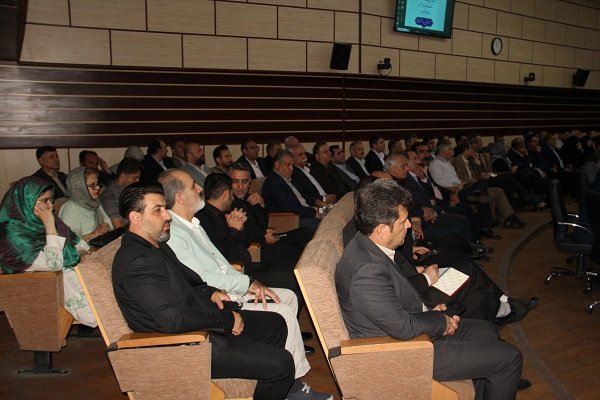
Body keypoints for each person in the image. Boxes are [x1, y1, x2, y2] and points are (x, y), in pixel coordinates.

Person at [336, 179, 523, 400]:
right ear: (382, 230)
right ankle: (500, 374)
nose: (409, 226)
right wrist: (440, 321)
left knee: (488, 331)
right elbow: (403, 328)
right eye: (403, 221)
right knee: (510, 358)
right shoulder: (366, 271)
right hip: (404, 351)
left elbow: (393, 307)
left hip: (411, 332)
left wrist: (430, 313)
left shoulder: (368, 246)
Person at [112, 182, 295, 400]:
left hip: (198, 324)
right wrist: (226, 319)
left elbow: (190, 280)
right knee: (282, 364)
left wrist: (210, 292)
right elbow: (173, 320)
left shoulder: (155, 245)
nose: (167, 216)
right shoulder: (138, 263)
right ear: (135, 217)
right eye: (157, 210)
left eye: (164, 208)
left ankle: (262, 382)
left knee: (275, 324)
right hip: (186, 346)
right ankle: (269, 373)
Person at [159, 170, 332, 400]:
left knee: (289, 296)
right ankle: (292, 386)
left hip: (231, 284)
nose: (200, 189)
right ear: (179, 197)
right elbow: (202, 278)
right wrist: (246, 283)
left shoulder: (194, 223)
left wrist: (249, 281)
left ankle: (288, 378)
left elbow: (221, 263)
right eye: (193, 186)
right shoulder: (174, 232)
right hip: (219, 296)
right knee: (282, 309)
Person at [0, 176, 96, 327]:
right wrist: (49, 224)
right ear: (27, 202)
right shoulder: (11, 234)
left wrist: (82, 252)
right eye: (45, 200)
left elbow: (80, 243)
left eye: (51, 199)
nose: (51, 206)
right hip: (41, 287)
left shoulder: (45, 220)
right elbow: (54, 264)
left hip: (62, 276)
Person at [262, 150, 322, 232]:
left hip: (302, 213)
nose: (291, 169)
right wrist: (313, 213)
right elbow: (288, 208)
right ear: (277, 165)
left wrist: (316, 201)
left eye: (292, 165)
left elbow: (302, 195)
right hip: (290, 220)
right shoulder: (274, 182)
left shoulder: (285, 177)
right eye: (288, 165)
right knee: (324, 225)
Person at [59, 167, 113, 242]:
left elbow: (109, 224)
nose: (98, 188)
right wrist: (95, 234)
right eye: (92, 185)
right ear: (80, 188)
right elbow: (68, 242)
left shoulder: (94, 202)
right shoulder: (70, 208)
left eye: (97, 184)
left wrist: (106, 227)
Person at [100, 157, 142, 229]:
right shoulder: (111, 195)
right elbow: (118, 226)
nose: (137, 181)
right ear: (122, 176)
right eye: (134, 178)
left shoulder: (128, 190)